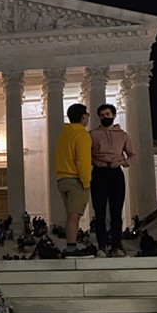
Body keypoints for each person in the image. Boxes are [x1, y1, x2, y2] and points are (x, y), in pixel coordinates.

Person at [90, 103, 136, 257]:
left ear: (114, 115)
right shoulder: (93, 134)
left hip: (116, 172)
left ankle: (117, 245)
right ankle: (101, 246)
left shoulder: (123, 135)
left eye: (107, 114)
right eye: (102, 115)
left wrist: (123, 162)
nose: (105, 117)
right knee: (100, 212)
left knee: (117, 212)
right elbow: (86, 154)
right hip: (99, 172)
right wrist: (94, 161)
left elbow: (132, 155)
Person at [55, 103, 92, 257]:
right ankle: (71, 248)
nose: (88, 117)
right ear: (83, 117)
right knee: (74, 215)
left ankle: (71, 247)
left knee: (71, 215)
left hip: (62, 179)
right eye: (87, 115)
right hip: (75, 179)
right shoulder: (82, 134)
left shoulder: (64, 133)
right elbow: (82, 160)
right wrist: (86, 181)